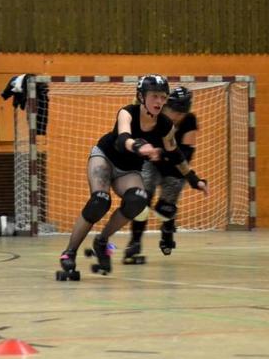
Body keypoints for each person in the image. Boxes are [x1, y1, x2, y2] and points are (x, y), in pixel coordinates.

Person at [56, 75, 208, 281]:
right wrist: (139, 146)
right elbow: (122, 140)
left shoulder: (164, 125)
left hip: (128, 170)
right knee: (100, 201)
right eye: (154, 96)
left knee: (137, 200)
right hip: (105, 158)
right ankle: (70, 252)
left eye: (163, 97)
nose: (159, 101)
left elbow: (176, 154)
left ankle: (102, 242)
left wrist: (193, 179)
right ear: (141, 96)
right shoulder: (127, 112)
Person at [123, 86, 199, 263]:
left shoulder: (189, 121)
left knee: (165, 208)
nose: (176, 117)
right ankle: (135, 243)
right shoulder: (153, 116)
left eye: (181, 114)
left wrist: (164, 154)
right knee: (142, 199)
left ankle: (167, 229)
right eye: (173, 111)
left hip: (176, 166)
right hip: (153, 163)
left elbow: (186, 153)